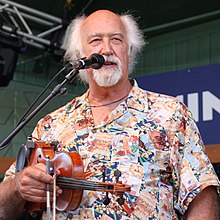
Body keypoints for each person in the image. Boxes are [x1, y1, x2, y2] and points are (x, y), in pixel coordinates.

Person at [0, 9, 219, 220]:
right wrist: (19, 187)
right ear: (79, 56)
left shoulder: (170, 114)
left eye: (116, 39)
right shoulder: (51, 124)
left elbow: (202, 197)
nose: (106, 49)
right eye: (95, 40)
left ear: (129, 52)